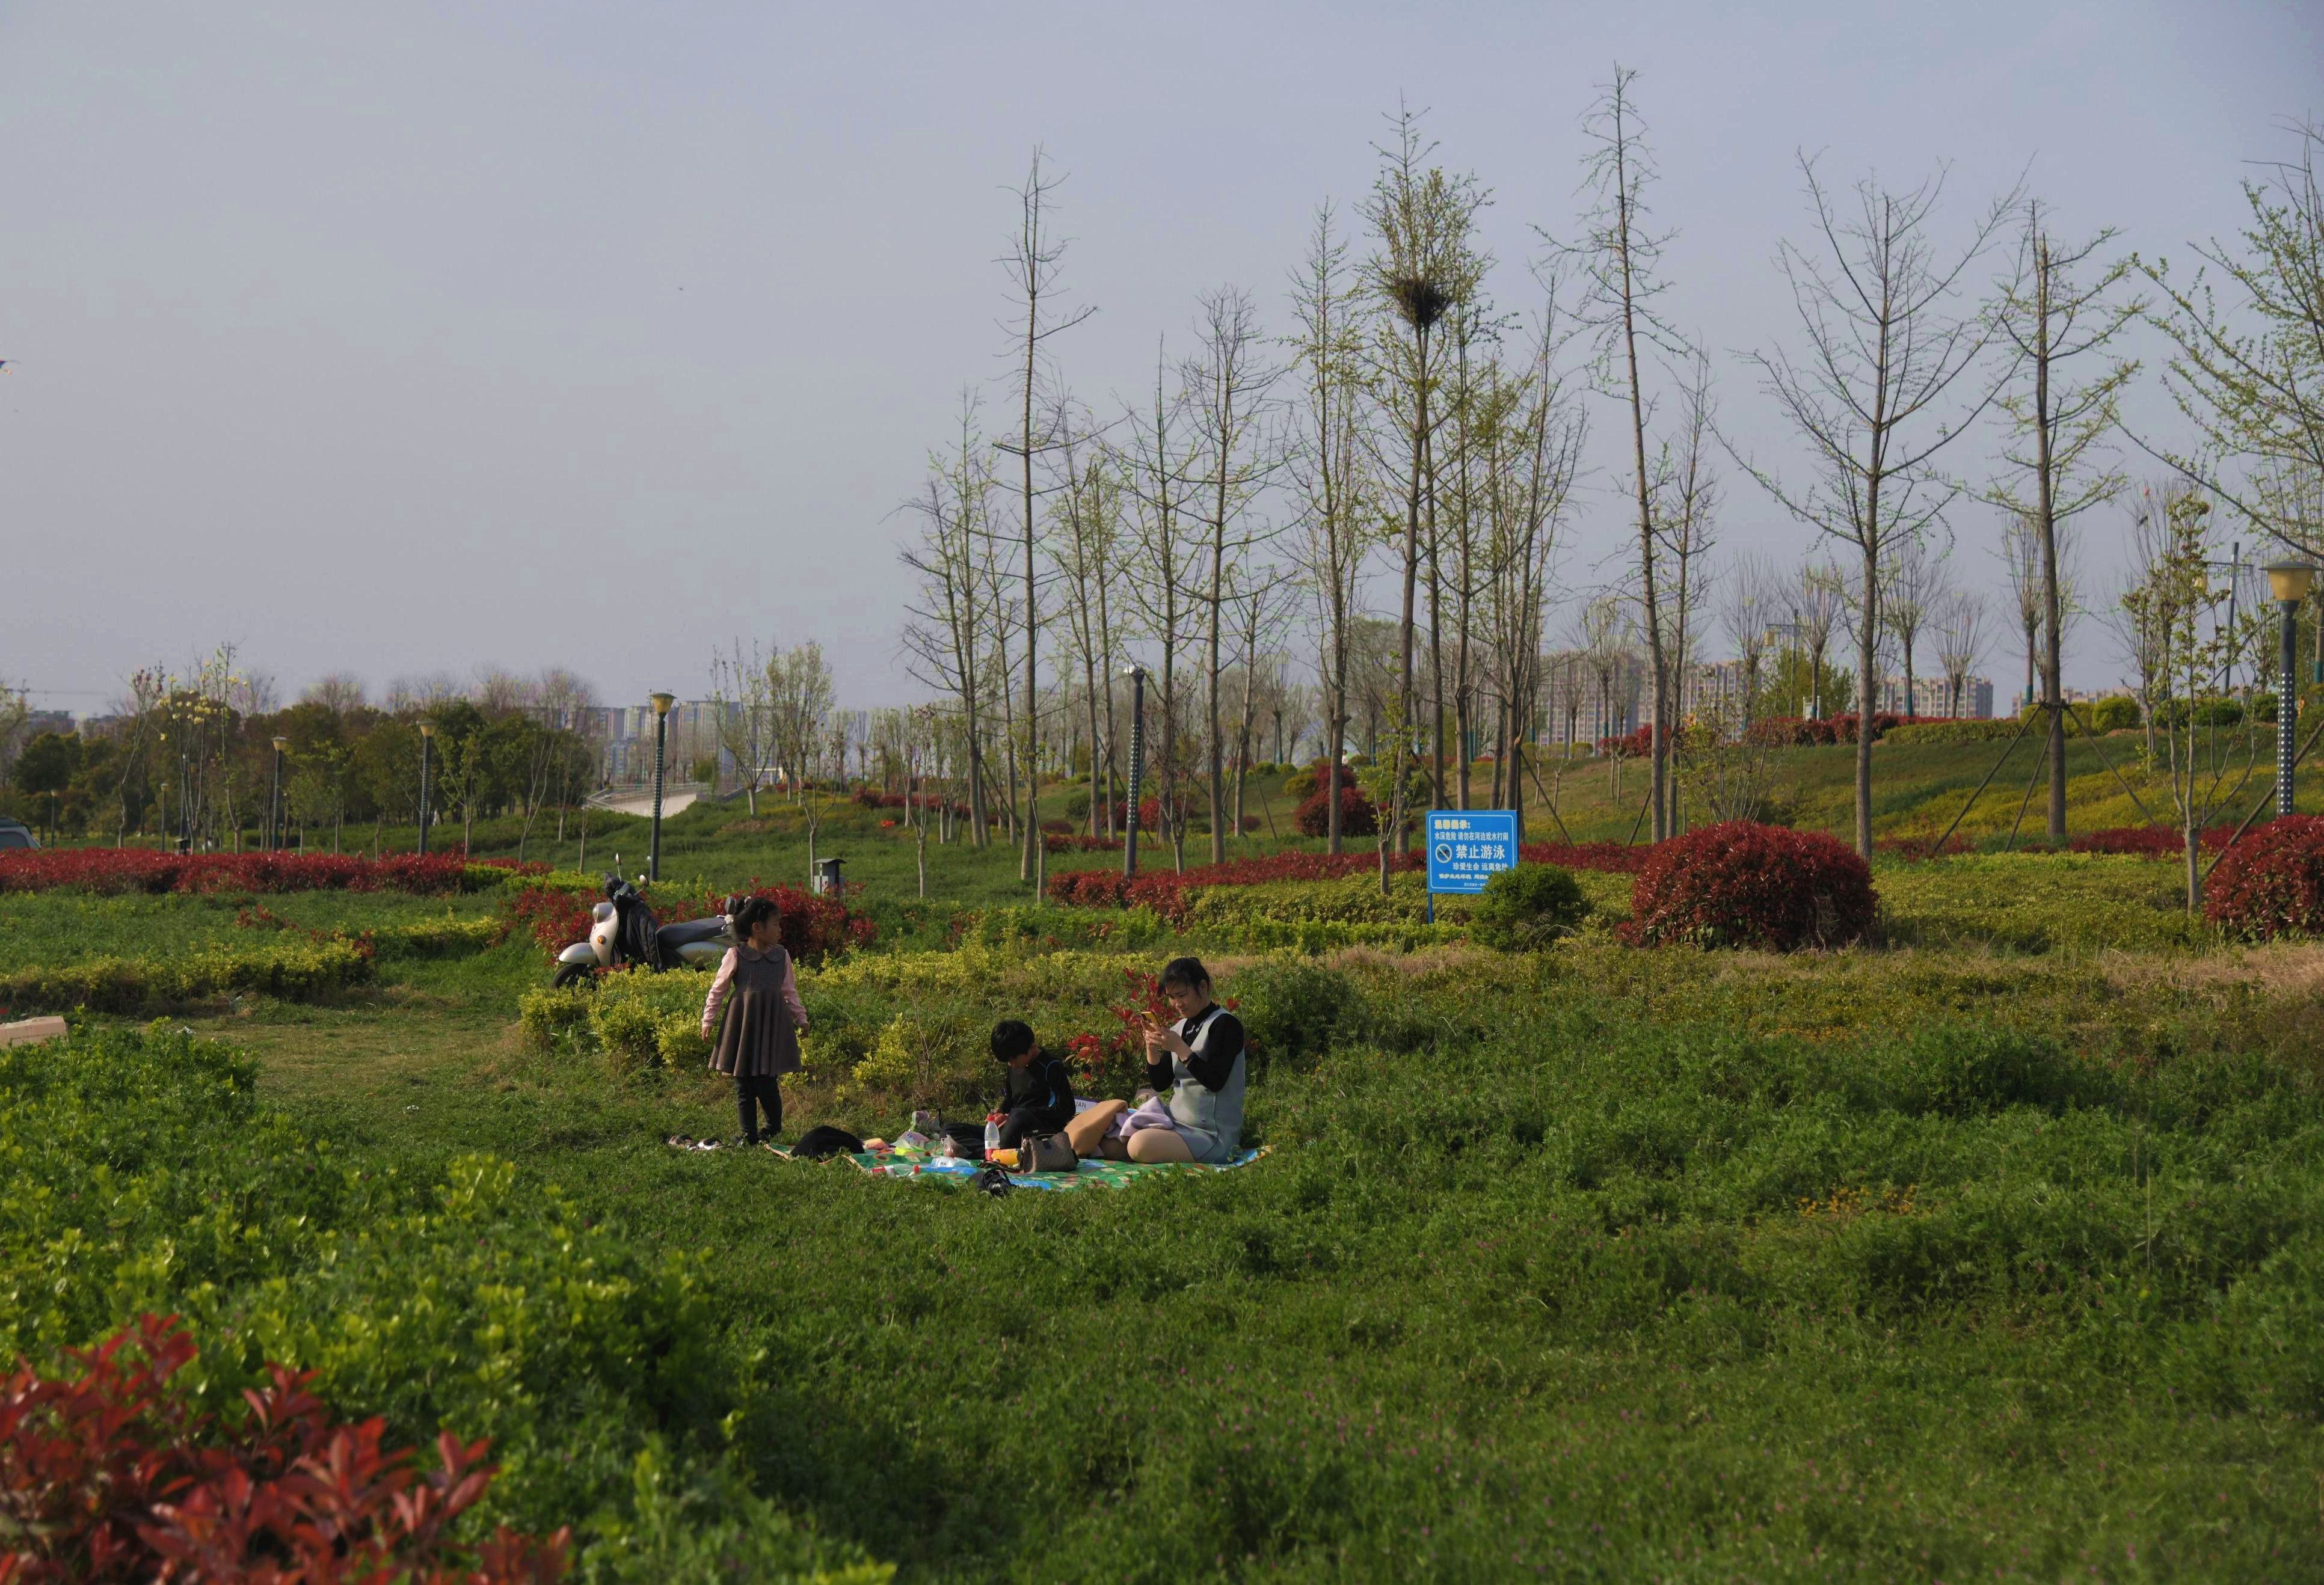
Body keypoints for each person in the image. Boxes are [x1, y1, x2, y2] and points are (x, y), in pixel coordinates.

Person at [1064, 956, 1246, 1164]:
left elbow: (1215, 1081)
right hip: (1176, 1123)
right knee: (1109, 1146)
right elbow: (1160, 1083)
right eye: (1172, 997)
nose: (1177, 1004)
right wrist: (1151, 1048)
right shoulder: (1180, 1028)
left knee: (1138, 1145)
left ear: (1203, 987)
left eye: (1182, 995)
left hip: (1211, 1134)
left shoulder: (1225, 1025)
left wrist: (1180, 1048)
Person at [699, 896, 810, 1146]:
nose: (780, 930)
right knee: (743, 1082)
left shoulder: (781, 956)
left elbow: (789, 991)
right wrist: (708, 1020)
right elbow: (718, 989)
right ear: (757, 928)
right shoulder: (736, 955)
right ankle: (748, 1133)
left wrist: (800, 1017)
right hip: (743, 1024)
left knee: (767, 1081)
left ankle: (773, 1129)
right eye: (776, 924)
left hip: (771, 1024)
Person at [989, 1019, 1075, 1151]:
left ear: (1032, 1048)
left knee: (1019, 1116)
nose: (1010, 1064)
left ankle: (992, 1150)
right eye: (1007, 1060)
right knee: (956, 1129)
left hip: (1042, 1131)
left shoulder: (1051, 1066)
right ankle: (987, 1149)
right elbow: (1011, 1099)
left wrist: (1022, 1114)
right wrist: (1000, 1111)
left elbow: (1067, 1109)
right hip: (1013, 1127)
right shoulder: (1013, 1065)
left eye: (1012, 1059)